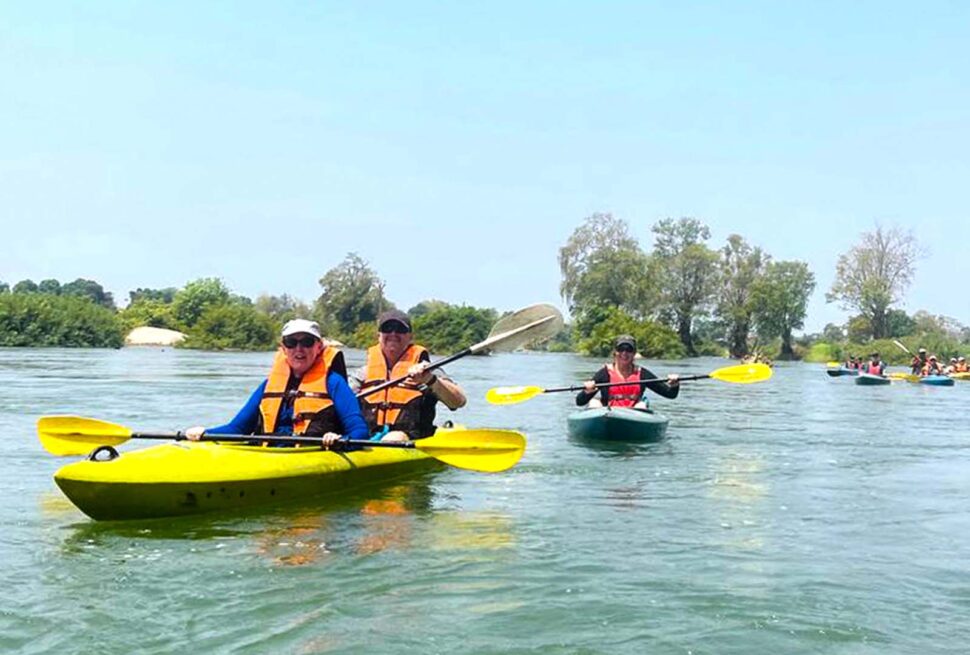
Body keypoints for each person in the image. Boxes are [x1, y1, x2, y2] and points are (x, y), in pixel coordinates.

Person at [184, 319, 368, 447]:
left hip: (313, 454)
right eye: (291, 342)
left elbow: (359, 431)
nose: (299, 349)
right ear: (283, 348)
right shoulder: (269, 385)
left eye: (307, 342)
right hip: (269, 453)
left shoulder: (334, 383)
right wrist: (205, 433)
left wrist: (340, 440)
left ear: (318, 347)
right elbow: (238, 428)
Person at [350, 310, 467, 442]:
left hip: (411, 438)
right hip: (367, 438)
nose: (393, 334)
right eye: (387, 328)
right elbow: (339, 402)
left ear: (410, 336)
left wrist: (431, 380)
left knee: (394, 437)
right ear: (379, 336)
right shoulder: (362, 374)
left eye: (400, 329)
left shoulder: (427, 370)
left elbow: (459, 401)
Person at [576, 335, 680, 409]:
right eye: (621, 349)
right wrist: (587, 392)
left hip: (634, 416)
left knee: (642, 405)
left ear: (634, 353)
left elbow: (670, 394)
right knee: (594, 403)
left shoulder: (642, 374)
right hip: (608, 414)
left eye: (629, 350)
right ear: (615, 352)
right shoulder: (604, 374)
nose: (624, 353)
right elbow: (579, 401)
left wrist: (675, 385)